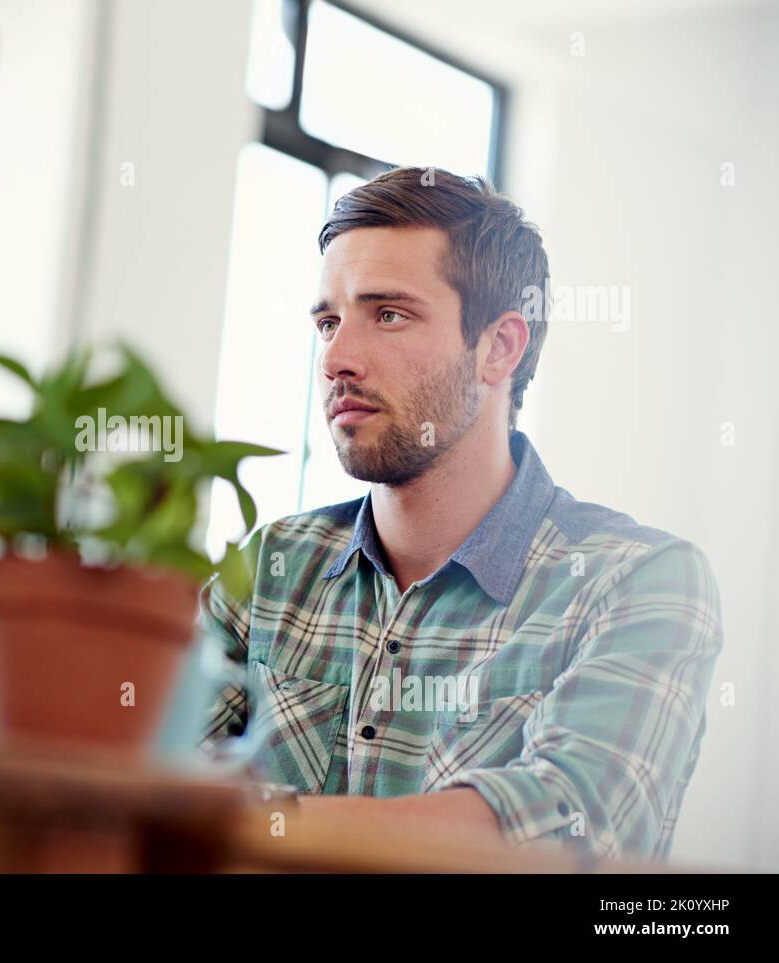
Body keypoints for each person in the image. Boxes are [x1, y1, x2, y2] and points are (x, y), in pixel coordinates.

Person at [200, 167, 723, 861]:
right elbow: (138, 784)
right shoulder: (269, 570)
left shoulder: (637, 582)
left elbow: (562, 839)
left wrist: (242, 822)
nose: (336, 358)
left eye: (388, 314)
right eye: (328, 321)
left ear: (500, 347)